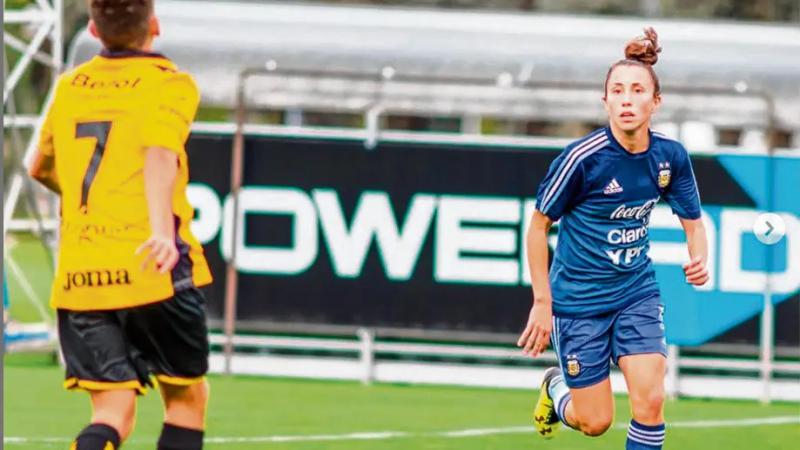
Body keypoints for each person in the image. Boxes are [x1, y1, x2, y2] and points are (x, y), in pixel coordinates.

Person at [28, 1, 213, 449]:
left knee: (113, 413)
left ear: (92, 29)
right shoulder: (170, 84)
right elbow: (158, 152)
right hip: (153, 267)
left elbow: (40, 167)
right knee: (186, 398)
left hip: (81, 275)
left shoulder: (70, 87)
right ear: (155, 25)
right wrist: (159, 231)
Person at [517, 28, 708, 450]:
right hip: (579, 301)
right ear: (604, 101)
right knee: (595, 422)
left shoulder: (670, 157)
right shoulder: (581, 160)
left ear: (655, 102)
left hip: (635, 292)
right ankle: (555, 388)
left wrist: (699, 258)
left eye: (637, 90)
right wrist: (543, 302)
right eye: (616, 90)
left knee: (651, 401)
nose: (626, 99)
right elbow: (537, 226)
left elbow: (693, 221)